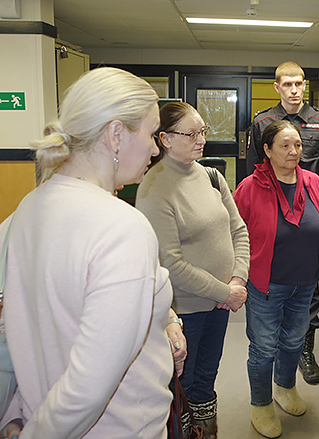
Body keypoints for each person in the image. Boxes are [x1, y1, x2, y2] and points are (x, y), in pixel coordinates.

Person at [0, 67, 174, 438]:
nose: (156, 148)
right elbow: (88, 387)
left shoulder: (25, 211)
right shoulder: (122, 228)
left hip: (38, 413)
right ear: (115, 134)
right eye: (150, 131)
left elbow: (28, 330)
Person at [136, 101, 250, 439]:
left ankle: (206, 432)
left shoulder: (211, 175)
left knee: (207, 377)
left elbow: (238, 230)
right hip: (187, 309)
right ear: (165, 139)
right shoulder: (154, 189)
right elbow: (170, 262)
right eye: (192, 133)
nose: (201, 140)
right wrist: (224, 292)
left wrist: (237, 279)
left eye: (203, 132)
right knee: (182, 383)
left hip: (220, 304)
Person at [234, 120, 319, 439]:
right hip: (267, 285)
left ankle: (285, 387)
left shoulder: (314, 181)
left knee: (294, 340)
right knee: (264, 346)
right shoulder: (250, 187)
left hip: (305, 282)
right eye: (284, 146)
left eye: (298, 146)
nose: (294, 152)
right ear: (266, 150)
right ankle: (261, 403)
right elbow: (235, 234)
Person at [247, 61, 319, 385]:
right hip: (273, 210)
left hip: (310, 208)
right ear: (277, 87)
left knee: (308, 292)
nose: (295, 90)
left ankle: (304, 351)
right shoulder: (262, 122)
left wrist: (317, 212)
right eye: (288, 84)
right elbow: (253, 171)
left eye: (299, 83)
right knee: (269, 301)